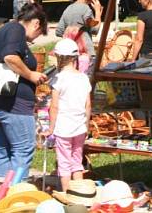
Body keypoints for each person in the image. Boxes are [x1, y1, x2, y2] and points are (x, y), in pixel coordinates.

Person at [0, 2, 48, 177]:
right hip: (13, 105)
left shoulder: (3, 30)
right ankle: (15, 194)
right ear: (36, 24)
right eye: (39, 33)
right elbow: (10, 57)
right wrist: (31, 75)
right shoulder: (16, 30)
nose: (34, 39)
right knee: (24, 149)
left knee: (5, 148)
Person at [48, 38, 91, 191]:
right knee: (77, 161)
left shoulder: (58, 79)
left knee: (64, 163)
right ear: (75, 57)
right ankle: (79, 192)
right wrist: (87, 125)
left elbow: (54, 106)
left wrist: (51, 128)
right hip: (80, 128)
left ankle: (67, 193)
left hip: (63, 129)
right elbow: (88, 105)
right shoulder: (83, 77)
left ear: (59, 58)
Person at [55, 0, 102, 71]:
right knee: (87, 81)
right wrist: (98, 12)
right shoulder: (86, 10)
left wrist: (71, 34)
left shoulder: (68, 8)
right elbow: (95, 29)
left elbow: (59, 31)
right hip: (85, 53)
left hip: (69, 54)